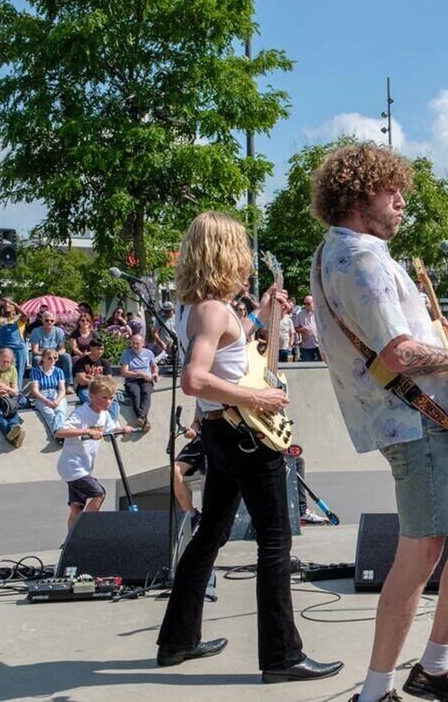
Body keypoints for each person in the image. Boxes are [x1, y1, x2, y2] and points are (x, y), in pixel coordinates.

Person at [310, 143, 448, 702]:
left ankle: (434, 667)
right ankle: (376, 692)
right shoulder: (360, 257)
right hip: (415, 423)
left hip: (428, 419)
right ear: (356, 196)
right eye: (389, 191)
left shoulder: (341, 252)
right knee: (420, 552)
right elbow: (396, 354)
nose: (400, 202)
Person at [156, 212, 341, 684]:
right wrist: (259, 397)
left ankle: (177, 640)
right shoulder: (213, 310)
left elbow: (230, 354)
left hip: (223, 436)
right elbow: (195, 379)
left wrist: (260, 313)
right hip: (246, 438)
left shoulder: (199, 308)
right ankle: (282, 657)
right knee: (276, 542)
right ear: (226, 252)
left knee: (210, 535)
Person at [56, 375, 119, 534]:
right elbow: (60, 432)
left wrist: (124, 430)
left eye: (111, 398)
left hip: (84, 467)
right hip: (71, 466)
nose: (108, 402)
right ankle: (85, 532)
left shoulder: (104, 414)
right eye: (104, 398)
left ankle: (70, 542)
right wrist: (87, 431)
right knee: (99, 493)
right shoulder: (81, 413)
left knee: (76, 507)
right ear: (91, 396)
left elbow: (111, 429)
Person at [73, 339, 121, 422]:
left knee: (113, 398)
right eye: (98, 349)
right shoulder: (81, 362)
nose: (100, 351)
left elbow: (109, 381)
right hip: (85, 389)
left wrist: (92, 379)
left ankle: (111, 422)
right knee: (93, 400)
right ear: (91, 348)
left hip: (103, 389)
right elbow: (81, 381)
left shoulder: (104, 363)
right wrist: (100, 379)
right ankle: (100, 422)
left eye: (102, 349)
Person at [27, 346, 70, 437]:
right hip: (42, 396)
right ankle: (59, 433)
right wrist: (46, 401)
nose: (53, 360)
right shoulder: (35, 371)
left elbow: (62, 390)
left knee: (60, 411)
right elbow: (35, 390)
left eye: (55, 358)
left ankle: (58, 433)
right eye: (49, 358)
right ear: (43, 359)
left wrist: (57, 400)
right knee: (49, 414)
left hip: (56, 394)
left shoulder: (59, 371)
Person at [0, 298, 28, 382]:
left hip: (19, 349)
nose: (7, 305)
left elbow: (25, 315)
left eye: (9, 304)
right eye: (5, 303)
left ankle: (17, 392)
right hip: (4, 349)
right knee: (3, 371)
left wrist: (14, 304)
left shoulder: (19, 319)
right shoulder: (2, 320)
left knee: (18, 372)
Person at [292, 295, 321, 362]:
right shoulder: (300, 314)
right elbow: (296, 328)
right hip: (306, 346)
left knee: (322, 365)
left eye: (308, 303)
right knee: (307, 366)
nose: (306, 305)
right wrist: (302, 329)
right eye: (305, 304)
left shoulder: (319, 312)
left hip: (319, 345)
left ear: (313, 302)